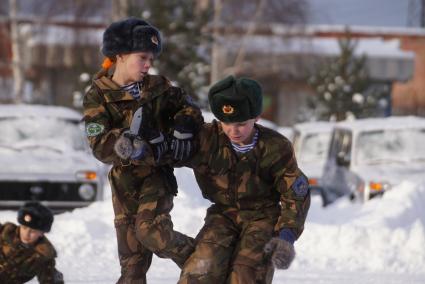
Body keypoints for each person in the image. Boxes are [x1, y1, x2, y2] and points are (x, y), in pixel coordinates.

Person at [83, 17, 203, 283]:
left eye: (151, 58)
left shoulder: (159, 88)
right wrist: (128, 144)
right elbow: (99, 144)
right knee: (132, 268)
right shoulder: (99, 95)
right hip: (124, 185)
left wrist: (185, 122)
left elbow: (190, 107)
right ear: (120, 56)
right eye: (142, 57)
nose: (148, 64)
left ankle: (205, 261)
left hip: (156, 177)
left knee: (151, 232)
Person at [176, 76, 311, 283]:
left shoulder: (275, 146)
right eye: (226, 123)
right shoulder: (207, 138)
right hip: (223, 215)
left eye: (241, 124)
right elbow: (168, 153)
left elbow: (295, 192)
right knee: (202, 269)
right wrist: (148, 147)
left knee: (246, 274)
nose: (233, 131)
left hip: (262, 217)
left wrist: (286, 236)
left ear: (256, 117)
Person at [0, 202, 64, 284]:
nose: (26, 234)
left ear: (41, 233)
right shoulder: (3, 232)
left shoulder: (42, 255)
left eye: (33, 231)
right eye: (24, 227)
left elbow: (49, 280)